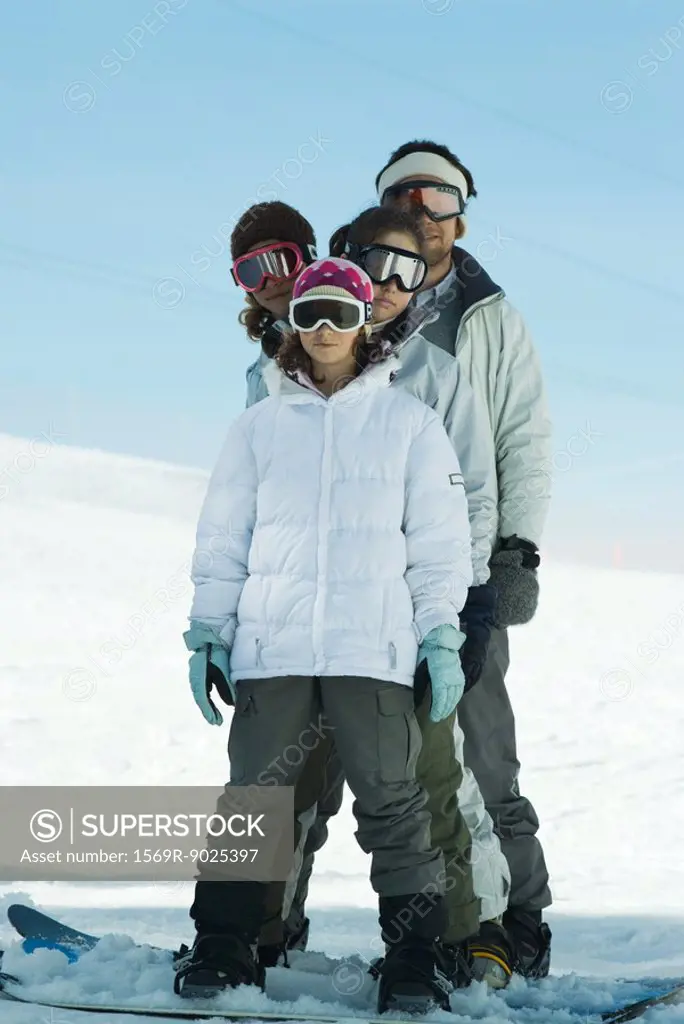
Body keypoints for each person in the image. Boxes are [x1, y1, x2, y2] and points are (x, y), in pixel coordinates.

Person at [177, 256, 475, 1016]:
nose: (323, 330)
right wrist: (210, 629)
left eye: (340, 314)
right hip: (272, 650)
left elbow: (439, 544)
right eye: (309, 315)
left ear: (364, 321)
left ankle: (414, 956)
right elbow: (224, 538)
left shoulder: (410, 423)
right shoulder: (258, 426)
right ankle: (224, 945)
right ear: (294, 325)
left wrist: (439, 634)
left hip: (370, 649)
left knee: (392, 802)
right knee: (253, 801)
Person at [238, 202, 517, 987]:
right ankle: (260, 931)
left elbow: (467, 498)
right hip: (303, 625)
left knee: (428, 783)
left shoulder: (430, 371)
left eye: (407, 267)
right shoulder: (271, 373)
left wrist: (460, 613)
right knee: (289, 783)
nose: (391, 282)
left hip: (403, 620)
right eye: (373, 263)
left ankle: (466, 937)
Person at [374, 139, 554, 978]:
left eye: (438, 201)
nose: (422, 213)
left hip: (470, 568)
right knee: (400, 765)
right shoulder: (356, 295)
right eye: (405, 198)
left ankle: (518, 920)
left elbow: (523, 436)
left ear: (460, 216)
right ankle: (437, 927)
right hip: (373, 569)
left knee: (482, 751)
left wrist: (515, 551)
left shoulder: (492, 317)